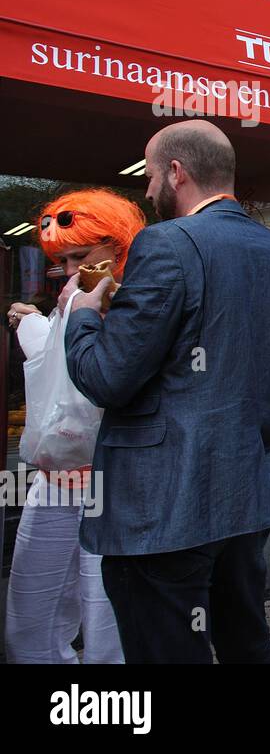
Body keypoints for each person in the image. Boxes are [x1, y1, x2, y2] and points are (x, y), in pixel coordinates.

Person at [64, 119, 270, 664]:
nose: (147, 191)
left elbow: (106, 376)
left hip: (165, 507)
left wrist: (84, 316)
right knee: (246, 642)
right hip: (246, 493)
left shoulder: (166, 243)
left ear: (176, 172)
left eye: (150, 176)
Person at [4, 189, 144, 664]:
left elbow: (107, 378)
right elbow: (65, 373)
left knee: (107, 608)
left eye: (80, 256)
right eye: (61, 260)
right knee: (33, 600)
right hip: (56, 477)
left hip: (114, 477)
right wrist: (37, 323)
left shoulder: (141, 301)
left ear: (118, 246)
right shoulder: (73, 298)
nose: (69, 270)